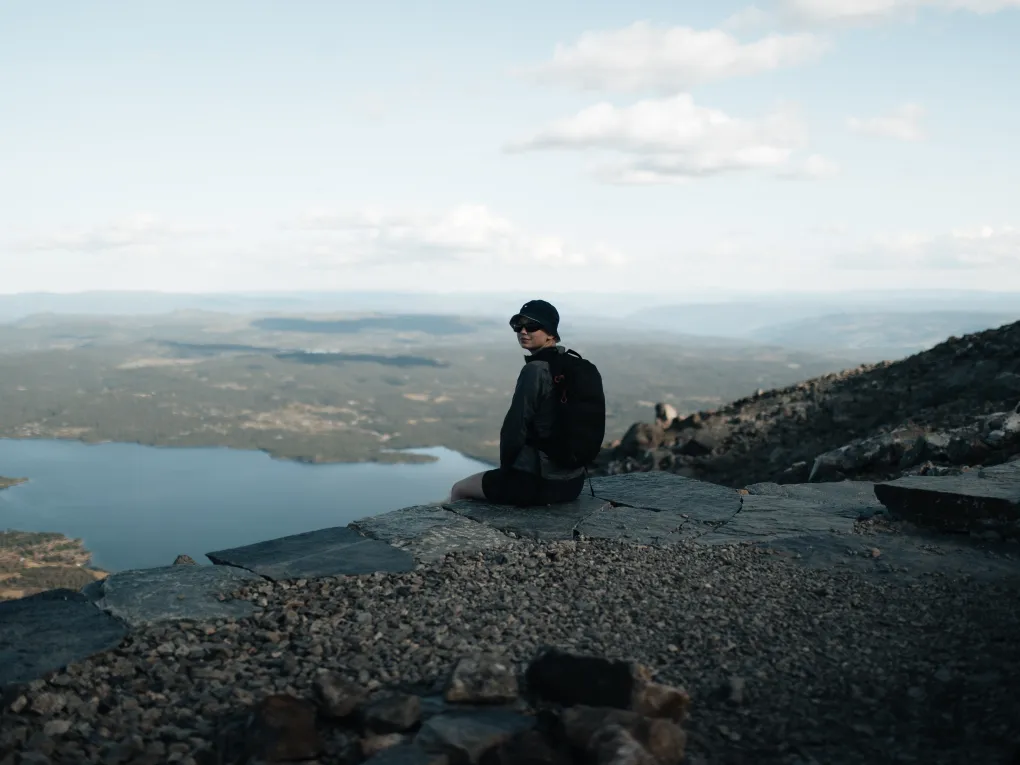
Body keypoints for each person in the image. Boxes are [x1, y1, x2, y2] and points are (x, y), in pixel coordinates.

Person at [449, 299, 597, 506]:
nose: (523, 331)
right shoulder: (576, 366)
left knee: (459, 489)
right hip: (573, 483)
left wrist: (506, 472)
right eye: (518, 326)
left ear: (551, 333)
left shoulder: (535, 370)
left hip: (535, 484)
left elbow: (515, 427)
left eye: (532, 326)